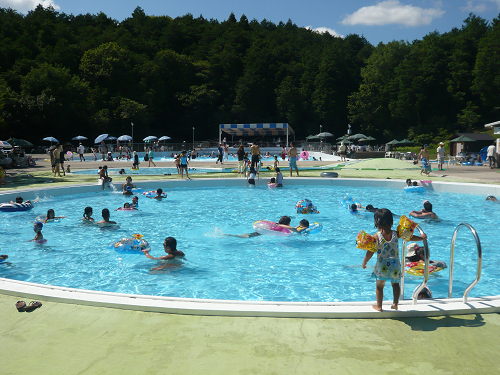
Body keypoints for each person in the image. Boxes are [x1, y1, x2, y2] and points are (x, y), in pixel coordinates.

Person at [361, 208, 427, 311]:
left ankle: (379, 306)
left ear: (376, 224)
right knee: (395, 284)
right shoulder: (397, 234)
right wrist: (421, 238)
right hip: (395, 265)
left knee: (379, 286)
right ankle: (395, 303)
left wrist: (365, 262)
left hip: (382, 265)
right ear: (392, 222)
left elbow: (370, 251)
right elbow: (409, 237)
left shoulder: (377, 237)